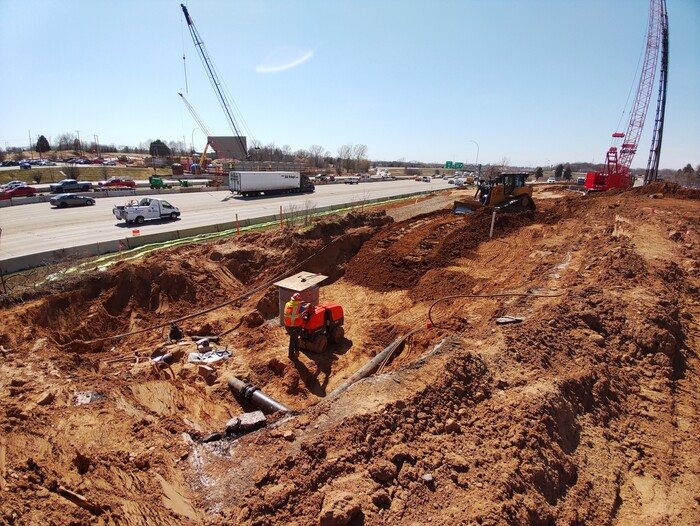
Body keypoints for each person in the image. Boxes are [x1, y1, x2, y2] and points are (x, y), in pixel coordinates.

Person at [284, 293, 310, 359]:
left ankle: (297, 350)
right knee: (293, 340)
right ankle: (291, 355)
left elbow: (294, 308)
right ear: (297, 301)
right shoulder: (299, 307)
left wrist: (299, 303)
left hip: (287, 325)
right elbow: (304, 308)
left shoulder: (288, 304)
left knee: (294, 338)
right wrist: (308, 304)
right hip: (294, 326)